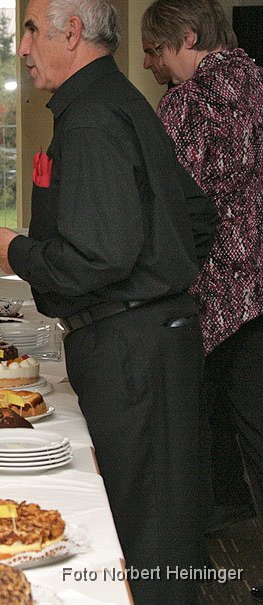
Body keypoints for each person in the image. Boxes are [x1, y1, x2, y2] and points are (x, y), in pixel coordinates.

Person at [0, 0, 218, 602]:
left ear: (73, 32)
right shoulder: (120, 101)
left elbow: (100, 255)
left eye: (31, 31)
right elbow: (196, 216)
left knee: (146, 535)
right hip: (152, 336)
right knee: (157, 525)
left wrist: (21, 255)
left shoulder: (90, 117)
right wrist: (161, 274)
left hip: (132, 348)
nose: (24, 48)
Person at [143, 0, 263, 526]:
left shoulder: (187, 103)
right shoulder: (258, 85)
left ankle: (202, 530)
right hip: (258, 284)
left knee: (194, 421)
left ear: (187, 38)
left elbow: (171, 206)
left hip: (212, 288)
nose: (150, 65)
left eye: (155, 50)